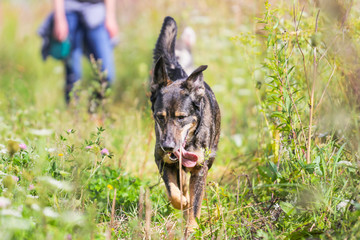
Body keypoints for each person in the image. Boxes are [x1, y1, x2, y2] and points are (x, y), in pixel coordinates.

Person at [50, 0, 118, 103]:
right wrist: (59, 18)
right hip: (69, 11)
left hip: (96, 12)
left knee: (107, 75)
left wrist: (110, 16)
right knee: (73, 74)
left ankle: (94, 110)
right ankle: (72, 113)